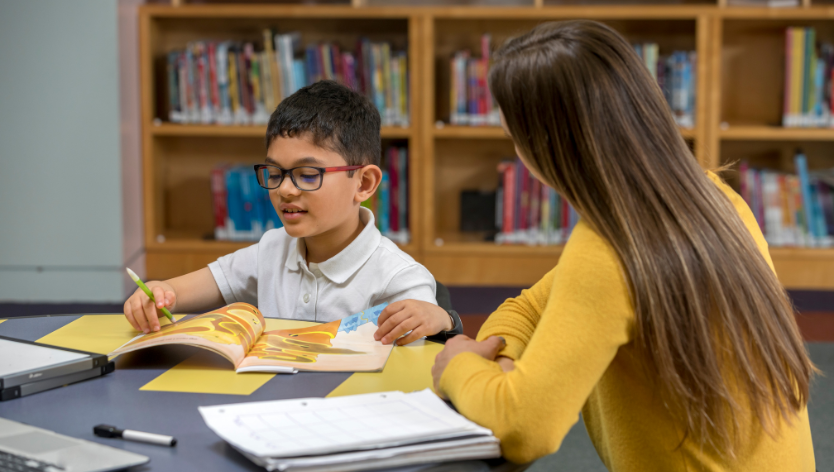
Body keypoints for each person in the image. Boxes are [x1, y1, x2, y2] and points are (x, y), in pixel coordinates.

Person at [431, 20, 816, 470]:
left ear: (544, 147)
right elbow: (532, 307)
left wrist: (459, 363)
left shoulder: (609, 250)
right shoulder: (713, 198)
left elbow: (523, 429)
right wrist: (504, 357)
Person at [124, 80, 461, 345]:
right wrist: (158, 293)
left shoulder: (399, 276)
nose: (285, 189)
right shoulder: (273, 248)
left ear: (364, 183)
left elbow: (429, 329)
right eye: (275, 173)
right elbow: (185, 289)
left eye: (308, 174)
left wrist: (438, 318)